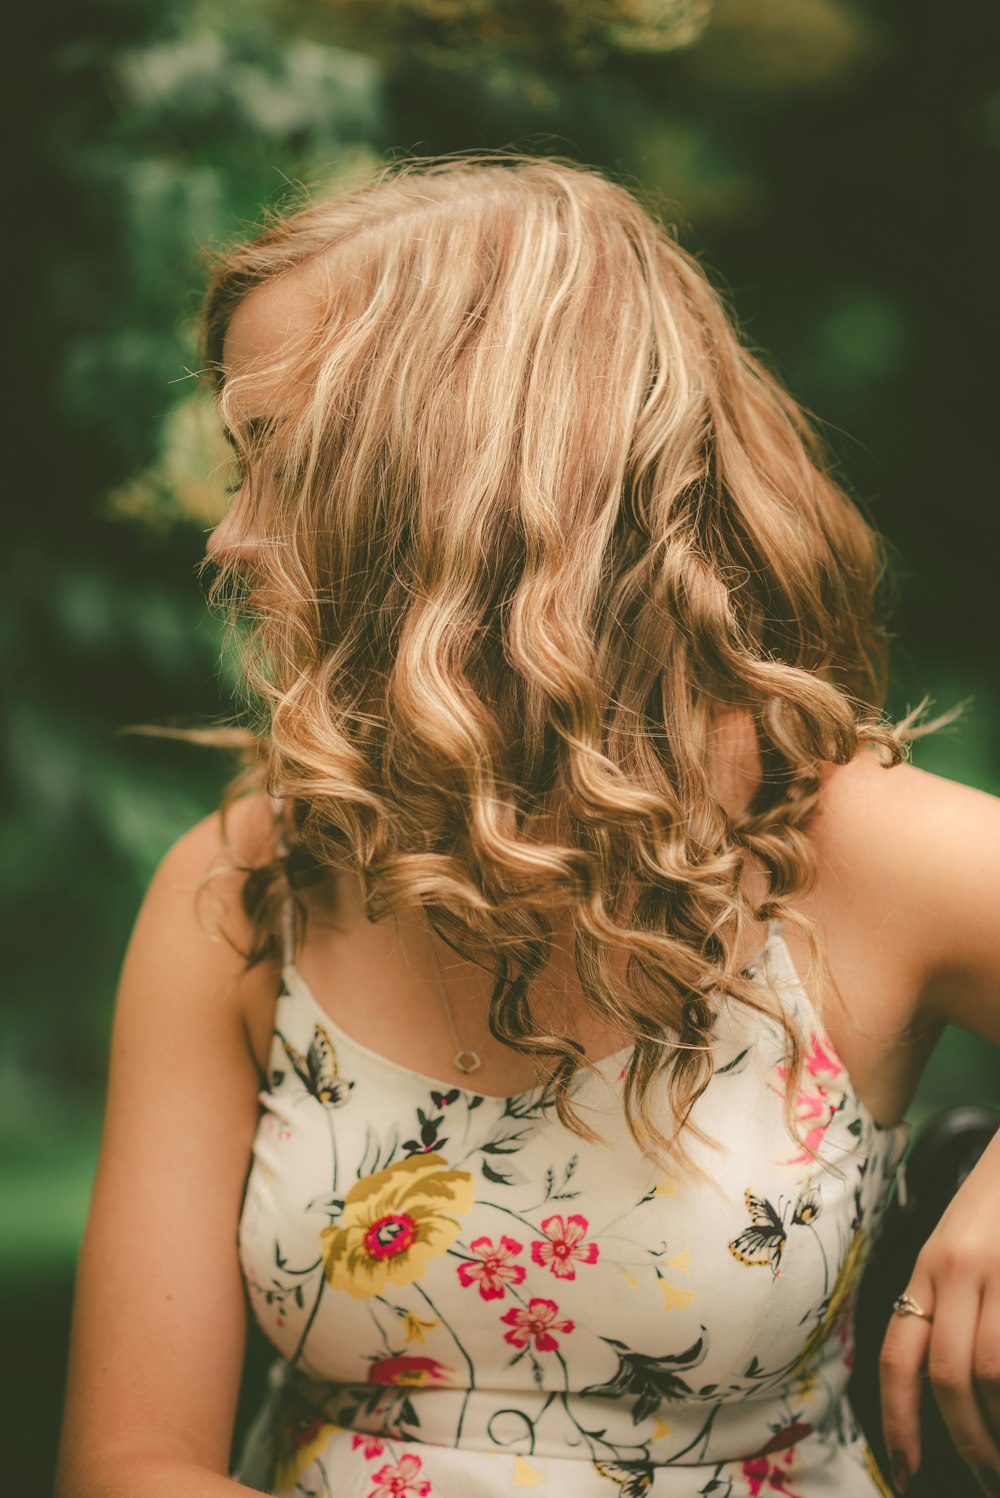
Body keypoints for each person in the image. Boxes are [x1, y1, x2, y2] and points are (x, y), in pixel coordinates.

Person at [56, 155, 1000, 1498]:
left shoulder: (849, 847)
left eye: (277, 465)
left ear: (451, 484)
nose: (227, 535)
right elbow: (129, 1462)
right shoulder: (248, 886)